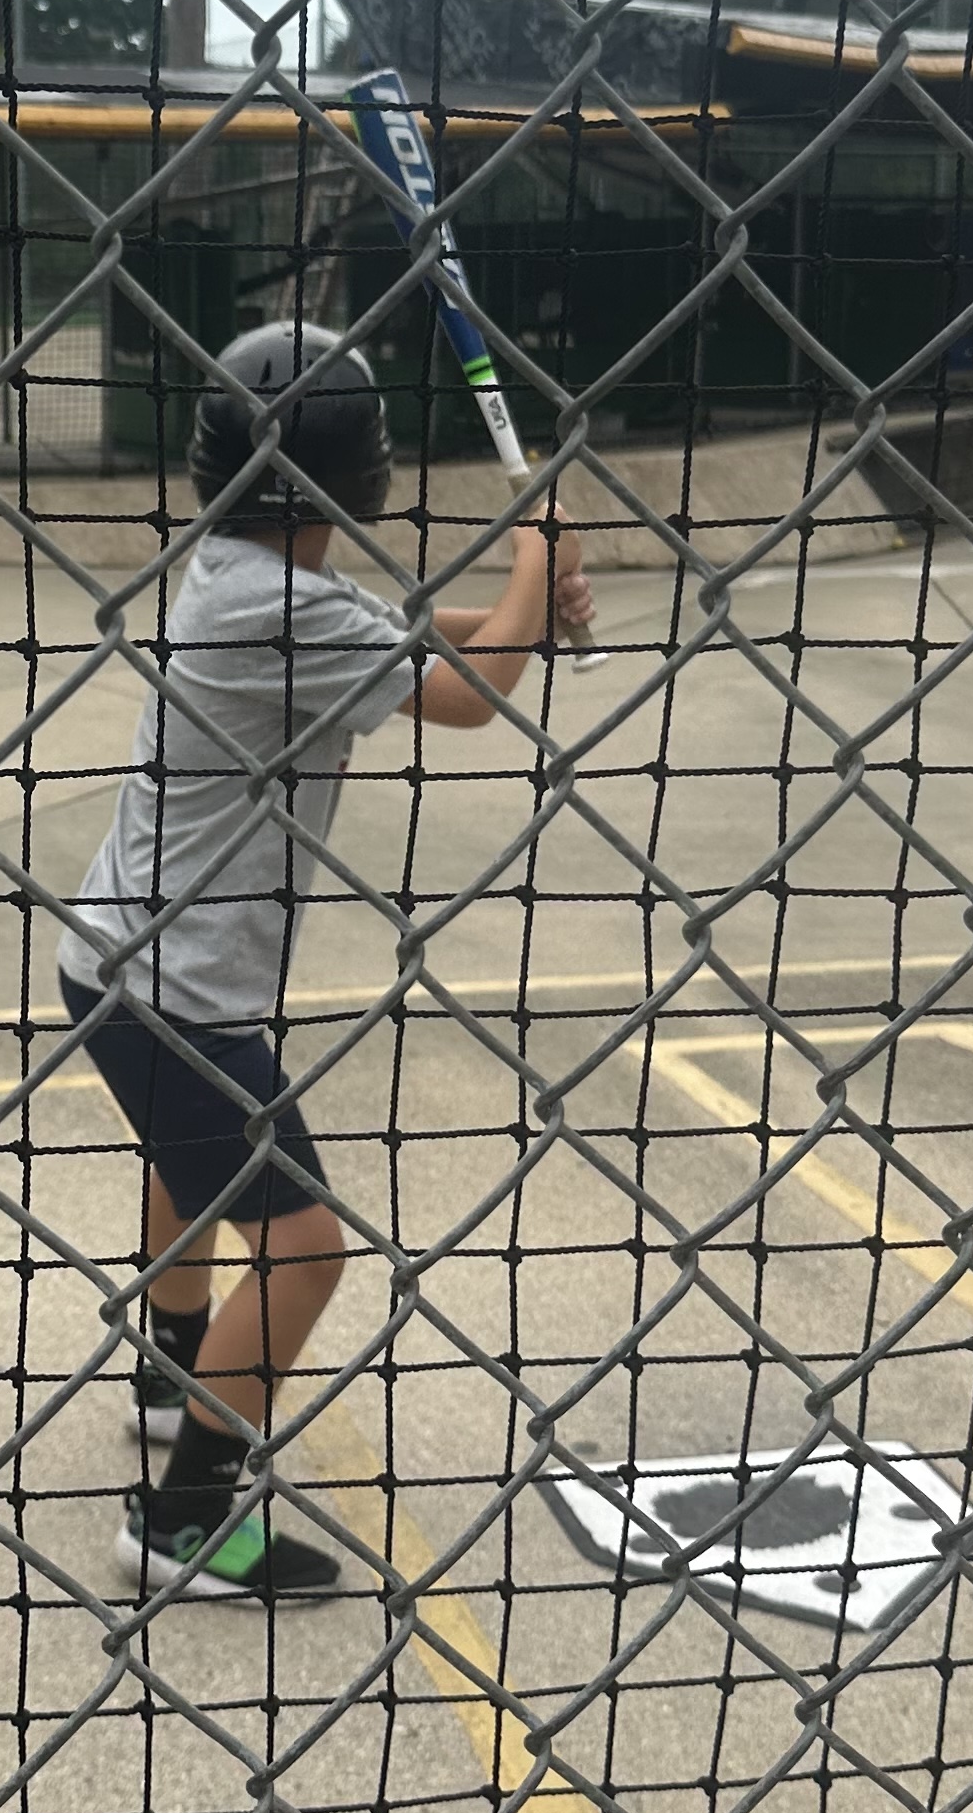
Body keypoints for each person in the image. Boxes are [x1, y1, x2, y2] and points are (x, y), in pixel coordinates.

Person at [59, 318, 594, 1603]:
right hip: (174, 988)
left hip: (128, 964)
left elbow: (409, 629)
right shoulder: (274, 608)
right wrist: (536, 562)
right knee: (306, 1247)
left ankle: (167, 1377)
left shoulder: (247, 575)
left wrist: (520, 605)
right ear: (366, 477)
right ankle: (184, 1518)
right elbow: (467, 696)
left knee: (190, 1177)